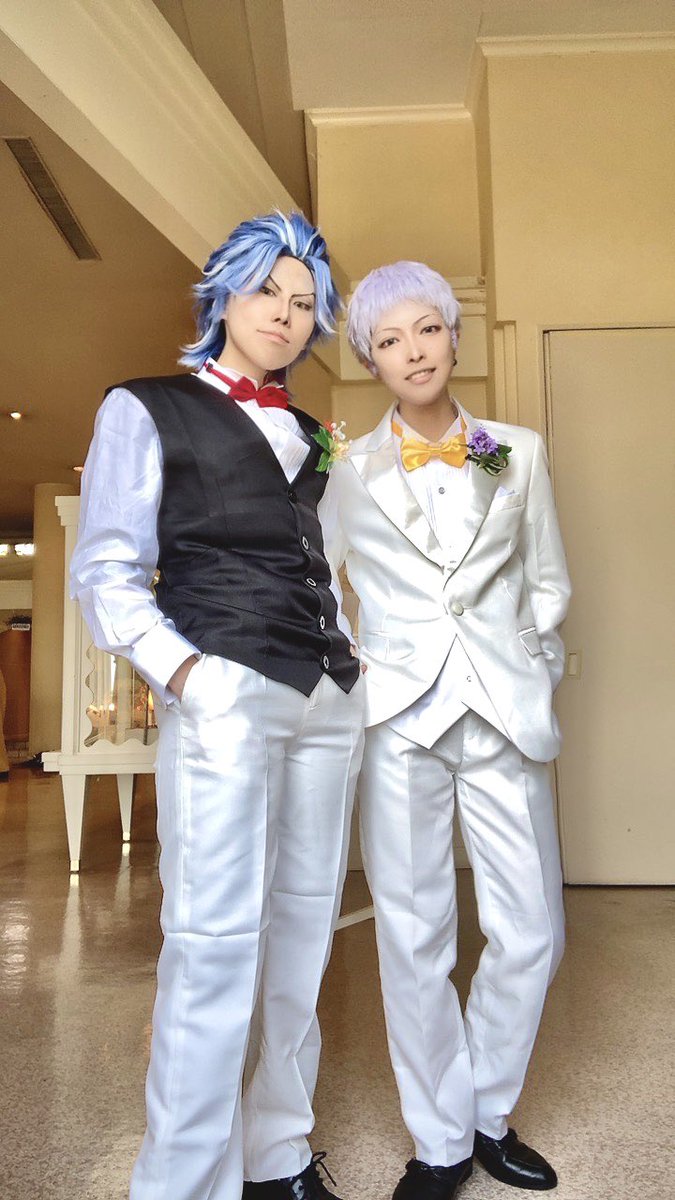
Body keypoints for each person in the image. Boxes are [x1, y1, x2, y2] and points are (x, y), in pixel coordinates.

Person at [71, 211, 365, 1200]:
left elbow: (321, 559)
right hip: (226, 688)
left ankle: (279, 1153)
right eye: (265, 291)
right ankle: (185, 1183)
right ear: (222, 294)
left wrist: (352, 658)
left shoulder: (318, 438)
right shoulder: (144, 406)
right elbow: (107, 567)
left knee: (304, 935)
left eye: (303, 302)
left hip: (324, 696)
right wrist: (188, 675)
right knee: (211, 942)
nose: (284, 314)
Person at [321, 261, 570, 1197]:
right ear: (370, 363)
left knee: (531, 929)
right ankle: (439, 1141)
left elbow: (546, 579)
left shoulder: (513, 453)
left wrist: (532, 667)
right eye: (388, 341)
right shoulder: (346, 469)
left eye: (426, 329)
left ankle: (485, 1112)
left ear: (453, 337)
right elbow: (321, 587)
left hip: (503, 712)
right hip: (398, 720)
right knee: (413, 934)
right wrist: (360, 672)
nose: (413, 352)